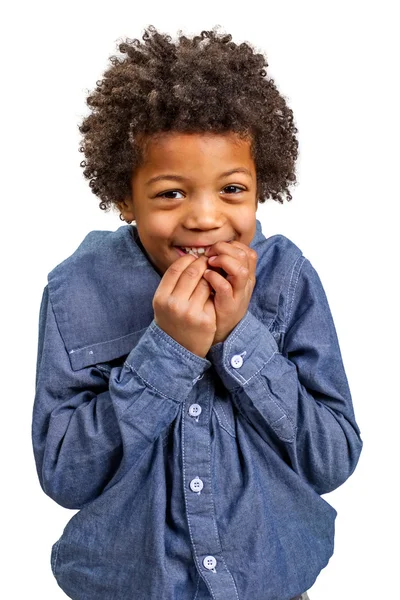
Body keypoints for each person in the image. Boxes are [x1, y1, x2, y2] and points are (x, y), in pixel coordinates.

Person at [31, 25, 363, 600]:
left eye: (232, 189)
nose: (206, 217)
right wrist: (169, 351)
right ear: (123, 196)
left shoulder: (287, 280)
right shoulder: (75, 291)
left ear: (263, 185)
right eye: (170, 194)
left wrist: (238, 337)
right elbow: (65, 475)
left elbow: (331, 459)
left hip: (272, 584)